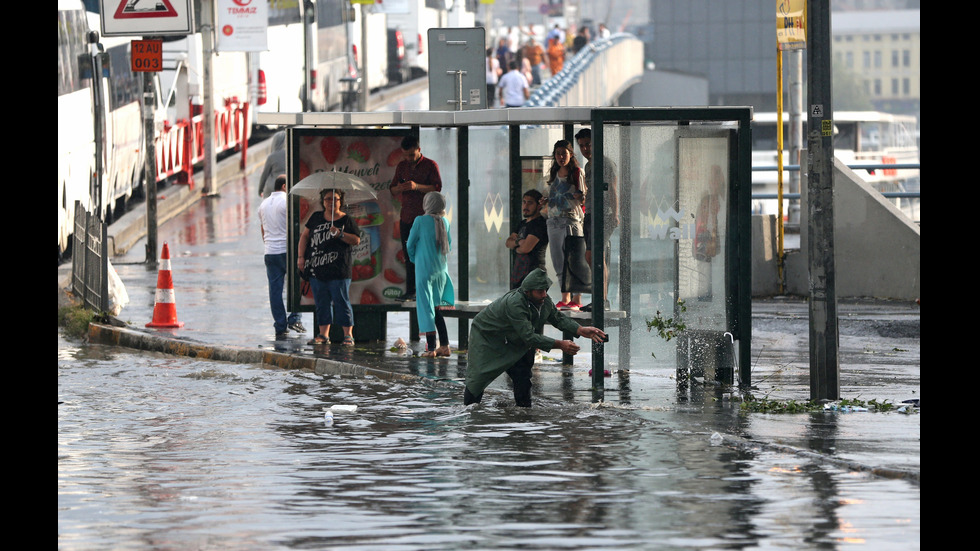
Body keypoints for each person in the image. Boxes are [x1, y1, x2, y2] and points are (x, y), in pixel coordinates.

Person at [463, 268, 607, 408]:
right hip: (487, 335)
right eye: (540, 291)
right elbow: (529, 336)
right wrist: (560, 344)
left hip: (515, 338)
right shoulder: (515, 303)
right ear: (527, 292)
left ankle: (524, 415)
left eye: (545, 290)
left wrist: (580, 329)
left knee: (523, 375)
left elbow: (557, 318)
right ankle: (469, 412)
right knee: (479, 377)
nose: (544, 294)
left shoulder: (544, 300)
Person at [296, 188, 362, 345]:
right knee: (321, 302)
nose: (331, 202)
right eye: (327, 199)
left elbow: (356, 240)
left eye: (335, 199)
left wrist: (340, 233)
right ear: (322, 201)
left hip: (339, 269)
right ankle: (323, 335)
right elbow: (305, 236)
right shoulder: (316, 217)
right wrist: (301, 257)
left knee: (341, 301)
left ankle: (348, 335)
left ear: (341, 201)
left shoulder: (346, 220)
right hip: (317, 268)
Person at [389, 135, 443, 302]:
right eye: (405, 155)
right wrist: (399, 188)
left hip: (425, 218)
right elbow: (392, 189)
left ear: (419, 150)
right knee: (409, 254)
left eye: (411, 155)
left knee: (426, 255)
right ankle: (411, 290)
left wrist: (417, 186)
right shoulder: (401, 166)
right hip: (406, 217)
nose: (408, 158)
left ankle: (428, 290)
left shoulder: (430, 165)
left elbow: (437, 188)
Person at [575, 128, 619, 311]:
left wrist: (615, 213)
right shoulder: (588, 165)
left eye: (588, 144)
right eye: (582, 146)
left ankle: (603, 300)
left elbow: (613, 188)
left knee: (597, 255)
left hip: (604, 213)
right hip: (591, 213)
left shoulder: (605, 162)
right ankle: (600, 298)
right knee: (591, 255)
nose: (585, 149)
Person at [407, 192, 455, 357]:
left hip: (424, 271)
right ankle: (445, 346)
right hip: (441, 271)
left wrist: (415, 259)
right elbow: (449, 243)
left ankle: (431, 349)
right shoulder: (445, 222)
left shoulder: (420, 221)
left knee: (426, 308)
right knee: (435, 308)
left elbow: (410, 244)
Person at [258, 175, 305, 339]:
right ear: (285, 186)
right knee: (296, 285)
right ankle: (295, 318)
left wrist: (269, 244)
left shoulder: (263, 205)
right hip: (287, 250)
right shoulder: (287, 202)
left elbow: (263, 230)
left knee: (275, 290)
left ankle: (280, 325)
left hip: (270, 252)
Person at [542, 139, 586, 310]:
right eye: (558, 154)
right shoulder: (553, 175)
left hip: (570, 220)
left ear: (570, 154)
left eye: (564, 153)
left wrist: (579, 196)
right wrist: (545, 200)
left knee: (574, 259)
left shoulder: (577, 173)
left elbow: (584, 197)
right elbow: (551, 195)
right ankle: (564, 297)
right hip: (553, 221)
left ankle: (576, 298)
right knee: (558, 260)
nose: (561, 157)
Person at [506, 189, 549, 290]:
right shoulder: (522, 223)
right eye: (524, 202)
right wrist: (518, 242)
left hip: (534, 271)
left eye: (530, 203)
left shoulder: (539, 224)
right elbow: (508, 242)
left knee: (533, 303)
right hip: (519, 271)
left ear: (539, 205)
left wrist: (516, 246)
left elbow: (525, 248)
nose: (525, 206)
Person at [693, 165, 724, 300]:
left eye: (715, 180)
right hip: (705, 244)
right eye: (711, 180)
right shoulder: (706, 200)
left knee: (717, 277)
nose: (712, 183)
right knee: (704, 278)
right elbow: (698, 224)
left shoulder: (723, 200)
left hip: (719, 243)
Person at [257, 131, 287, 198]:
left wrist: (260, 190)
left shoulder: (272, 156)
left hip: (272, 189)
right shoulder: (291, 154)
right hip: (286, 187)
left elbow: (264, 175)